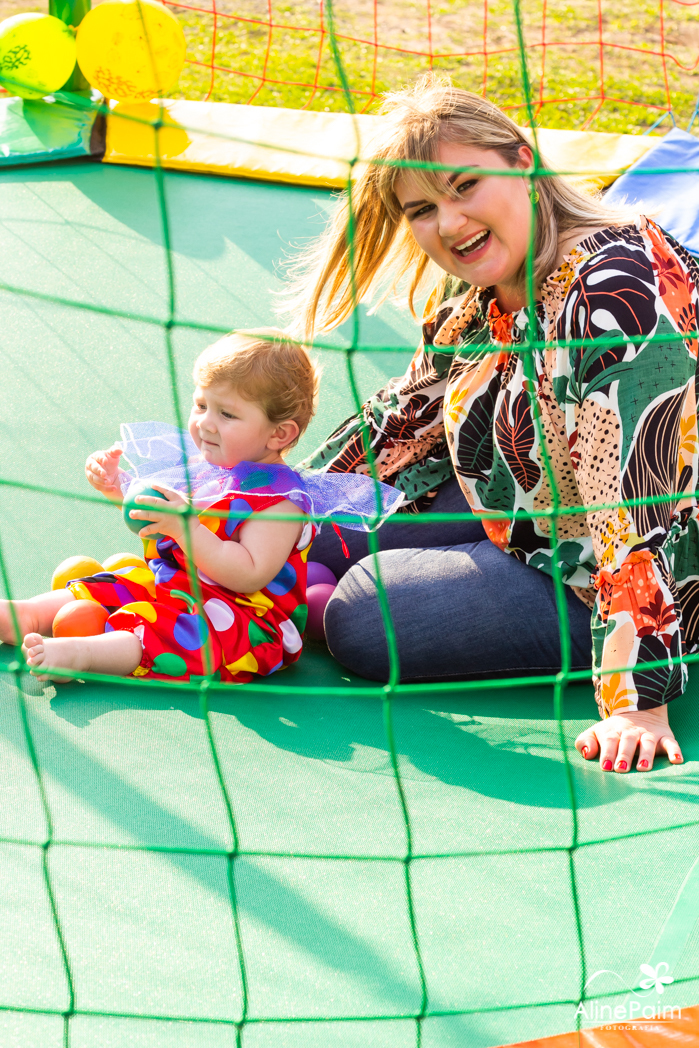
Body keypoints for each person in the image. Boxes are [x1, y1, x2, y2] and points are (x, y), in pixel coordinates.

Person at [293, 76, 699, 774]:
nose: (447, 224)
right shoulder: (494, 282)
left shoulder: (612, 296)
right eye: (421, 209)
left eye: (463, 186)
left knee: (362, 613)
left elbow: (634, 506)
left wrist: (637, 696)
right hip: (541, 504)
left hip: (650, 563)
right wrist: (254, 504)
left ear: (521, 162)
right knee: (312, 532)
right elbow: (407, 416)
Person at [0, 330, 397, 684]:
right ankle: (28, 614)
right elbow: (157, 509)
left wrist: (184, 527)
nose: (205, 423)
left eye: (226, 414)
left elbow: (247, 574)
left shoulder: (282, 502)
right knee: (117, 584)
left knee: (168, 633)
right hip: (174, 585)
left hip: (240, 621)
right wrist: (117, 488)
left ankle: (82, 654)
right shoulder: (210, 466)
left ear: (279, 433)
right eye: (201, 404)